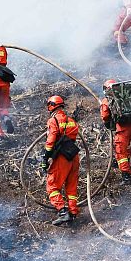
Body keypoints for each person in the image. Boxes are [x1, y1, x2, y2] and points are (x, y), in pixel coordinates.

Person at [44, 95, 80, 225]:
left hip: (62, 157)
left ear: (51, 106)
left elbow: (51, 140)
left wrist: (46, 157)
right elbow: (74, 134)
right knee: (71, 186)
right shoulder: (71, 120)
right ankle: (73, 212)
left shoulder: (53, 120)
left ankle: (63, 212)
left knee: (52, 185)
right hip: (73, 156)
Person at [101, 78, 131, 182]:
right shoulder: (127, 94)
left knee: (120, 151)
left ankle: (126, 175)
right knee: (125, 146)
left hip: (123, 128)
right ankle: (123, 163)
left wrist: (109, 123)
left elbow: (105, 115)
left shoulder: (107, 100)